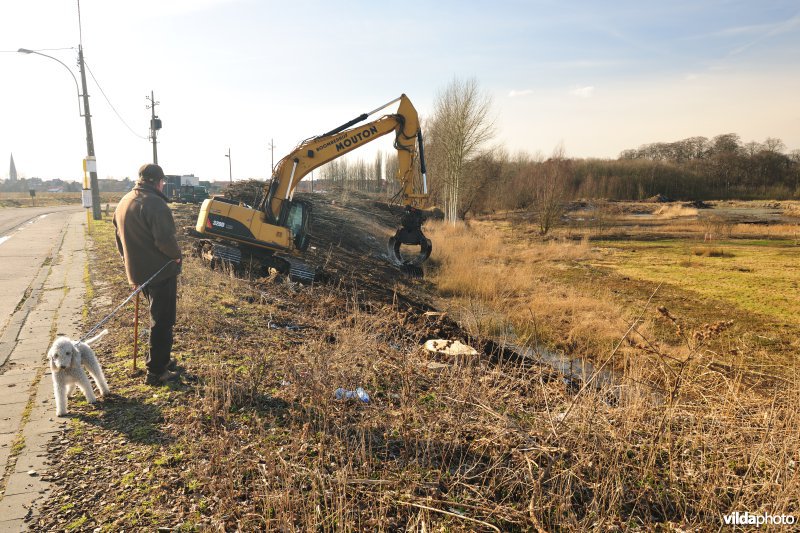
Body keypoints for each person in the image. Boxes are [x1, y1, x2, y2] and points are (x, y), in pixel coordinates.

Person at [113, 164, 183, 385]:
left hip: (139, 273)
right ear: (159, 181)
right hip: (160, 272)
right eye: (163, 182)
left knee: (156, 317)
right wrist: (177, 256)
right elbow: (165, 240)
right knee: (162, 321)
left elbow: (119, 240)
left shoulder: (124, 201)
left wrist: (130, 269)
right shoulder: (155, 203)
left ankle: (159, 359)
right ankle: (156, 371)